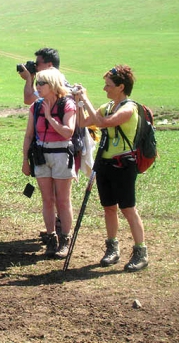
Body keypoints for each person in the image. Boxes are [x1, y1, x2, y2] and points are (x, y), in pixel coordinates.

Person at [75, 64, 148, 272]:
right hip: (105, 164)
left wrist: (86, 99)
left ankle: (141, 252)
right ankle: (112, 249)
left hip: (124, 165)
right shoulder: (107, 106)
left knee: (127, 208)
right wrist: (80, 102)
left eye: (108, 85)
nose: (105, 89)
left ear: (121, 87)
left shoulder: (129, 108)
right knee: (109, 207)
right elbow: (82, 123)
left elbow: (103, 123)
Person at [22, 67, 77, 259]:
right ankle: (51, 238)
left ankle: (65, 239)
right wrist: (25, 161)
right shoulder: (35, 106)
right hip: (41, 156)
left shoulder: (67, 104)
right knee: (47, 200)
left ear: (53, 85)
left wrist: (49, 118)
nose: (37, 86)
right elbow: (29, 135)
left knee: (63, 200)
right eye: (37, 82)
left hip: (61, 154)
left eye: (41, 83)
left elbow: (68, 132)